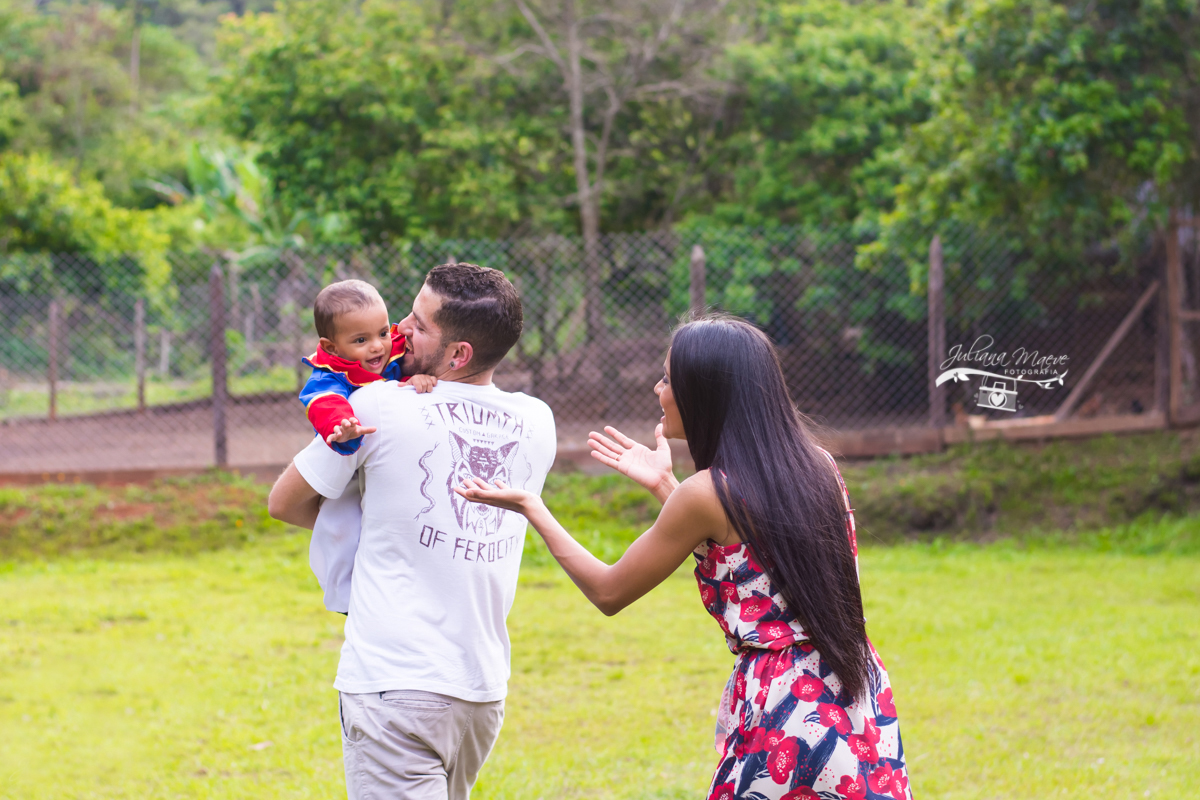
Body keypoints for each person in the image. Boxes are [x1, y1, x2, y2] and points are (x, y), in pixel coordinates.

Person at [455, 314, 912, 800]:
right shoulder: (817, 465)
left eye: (669, 378)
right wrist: (663, 487)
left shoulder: (705, 493)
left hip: (789, 710)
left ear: (703, 393)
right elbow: (754, 554)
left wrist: (533, 506)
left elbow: (609, 591)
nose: (657, 388)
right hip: (853, 689)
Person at [268, 263, 557, 800]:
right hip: (481, 689)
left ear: (457, 355)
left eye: (418, 324)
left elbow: (284, 503)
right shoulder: (538, 422)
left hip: (393, 682)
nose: (397, 329)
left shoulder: (377, 405)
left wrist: (373, 520)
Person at [299, 279, 436, 455]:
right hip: (347, 457)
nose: (377, 346)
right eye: (361, 340)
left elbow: (400, 381)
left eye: (383, 333)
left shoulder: (393, 353)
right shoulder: (329, 374)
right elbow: (325, 402)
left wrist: (413, 380)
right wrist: (342, 426)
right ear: (332, 348)